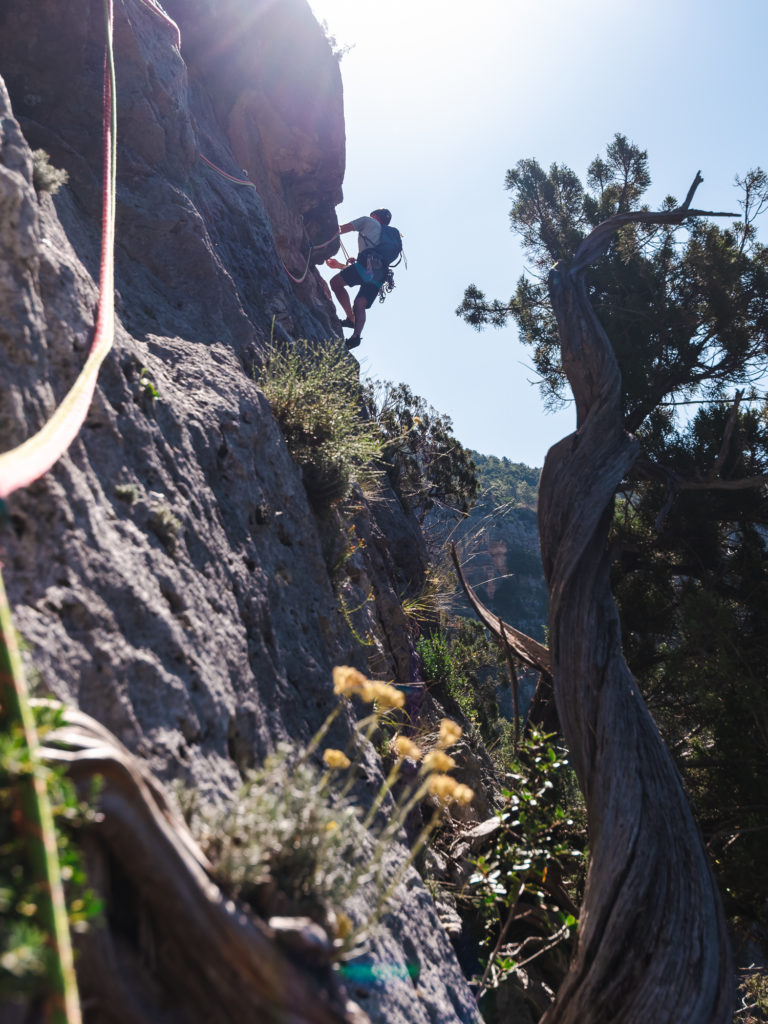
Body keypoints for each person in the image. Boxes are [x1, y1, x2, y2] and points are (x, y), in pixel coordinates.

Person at [327, 208, 396, 349]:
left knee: (336, 283)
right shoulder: (385, 237)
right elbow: (368, 271)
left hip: (365, 265)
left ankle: (351, 319)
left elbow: (339, 229)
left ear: (374, 215)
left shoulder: (367, 221)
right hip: (380, 273)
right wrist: (341, 265)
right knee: (360, 304)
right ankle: (356, 336)